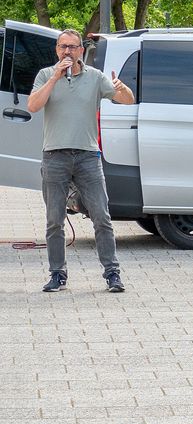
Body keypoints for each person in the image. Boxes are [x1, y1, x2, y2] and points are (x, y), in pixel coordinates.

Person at [27, 29, 135, 293]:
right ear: (56, 50)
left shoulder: (95, 77)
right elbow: (33, 105)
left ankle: (112, 273)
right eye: (63, 47)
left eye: (72, 47)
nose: (67, 51)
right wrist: (54, 77)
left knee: (101, 216)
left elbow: (127, 100)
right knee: (54, 220)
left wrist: (122, 88)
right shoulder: (45, 75)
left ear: (81, 51)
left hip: (87, 156)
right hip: (54, 155)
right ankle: (57, 274)